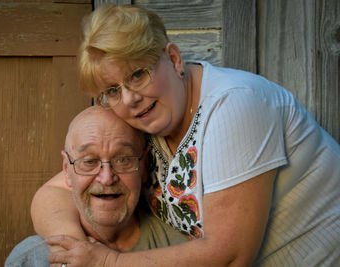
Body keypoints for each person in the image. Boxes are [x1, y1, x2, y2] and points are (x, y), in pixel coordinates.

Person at [32, 3, 340, 266]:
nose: (128, 100)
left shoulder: (236, 105)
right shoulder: (143, 121)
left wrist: (108, 262)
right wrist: (77, 253)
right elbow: (53, 193)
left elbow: (232, 255)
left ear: (175, 58)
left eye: (138, 74)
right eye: (112, 90)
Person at [6, 106, 187, 266]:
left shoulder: (180, 252)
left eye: (123, 159)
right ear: (66, 170)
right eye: (89, 161)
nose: (107, 178)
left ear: (145, 166)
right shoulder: (31, 259)